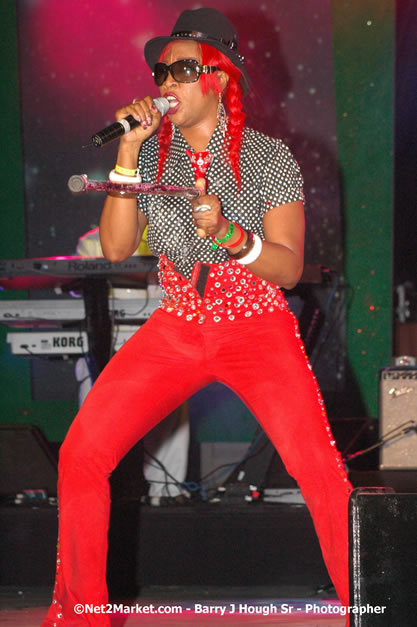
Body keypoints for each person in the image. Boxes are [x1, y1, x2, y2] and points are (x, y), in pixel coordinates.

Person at [42, 8, 353, 626]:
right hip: (179, 324)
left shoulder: (269, 158)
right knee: (82, 453)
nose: (166, 84)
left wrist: (234, 237)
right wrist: (128, 150)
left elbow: (291, 269)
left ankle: (372, 607)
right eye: (160, 72)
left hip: (255, 324)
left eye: (182, 70)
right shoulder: (154, 157)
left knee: (318, 468)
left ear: (220, 78)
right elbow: (115, 249)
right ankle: (80, 616)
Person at [74, 227, 190, 506]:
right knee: (95, 411)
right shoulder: (92, 240)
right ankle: (90, 487)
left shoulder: (174, 233)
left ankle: (166, 491)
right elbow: (79, 285)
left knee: (172, 405)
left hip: (161, 335)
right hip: (106, 336)